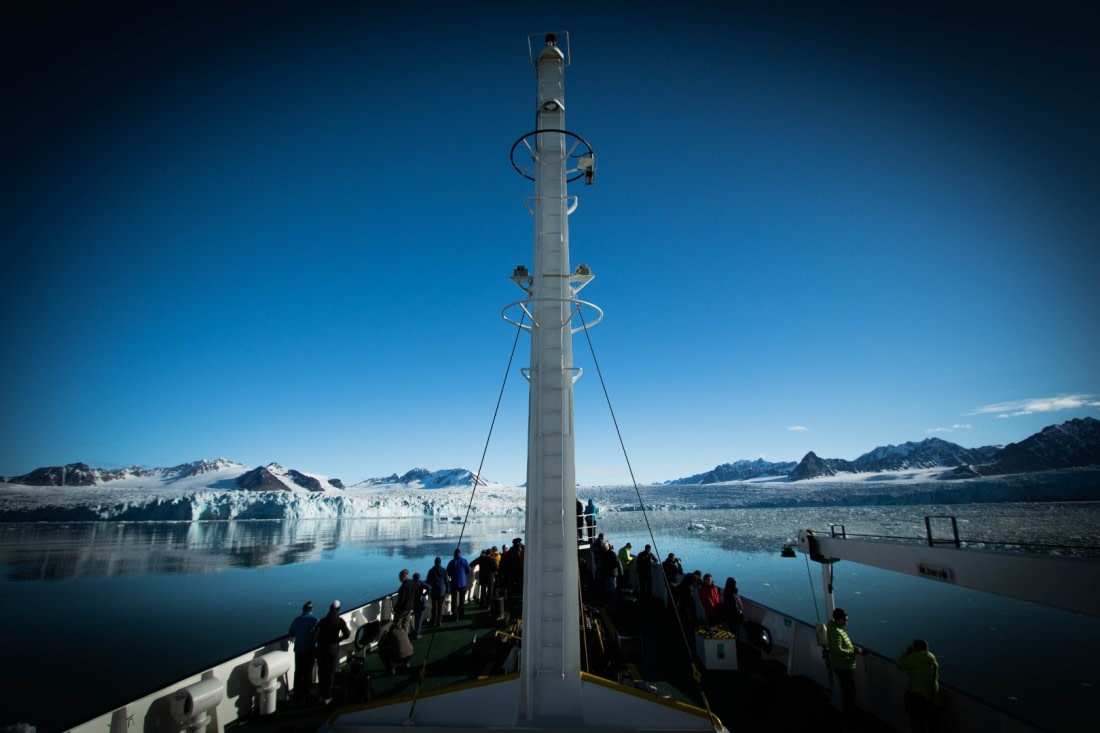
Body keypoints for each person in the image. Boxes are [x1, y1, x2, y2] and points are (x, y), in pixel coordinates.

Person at [826, 607, 866, 717]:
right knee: (849, 693)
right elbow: (837, 650)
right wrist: (853, 651)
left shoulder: (837, 628)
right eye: (845, 620)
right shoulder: (836, 632)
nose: (846, 622)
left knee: (847, 691)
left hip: (843, 665)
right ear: (839, 619)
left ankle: (847, 712)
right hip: (843, 666)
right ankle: (848, 715)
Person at [897, 639, 940, 732]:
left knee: (917, 724)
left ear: (914, 648)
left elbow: (899, 665)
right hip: (933, 695)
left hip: (918, 696)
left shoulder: (912, 658)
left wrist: (906, 653)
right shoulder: (932, 658)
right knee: (931, 724)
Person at [313, 600, 350, 705]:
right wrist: (338, 640)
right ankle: (327, 696)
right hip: (333, 649)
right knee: (330, 673)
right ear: (338, 610)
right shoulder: (339, 621)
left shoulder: (322, 621)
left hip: (321, 649)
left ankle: (321, 694)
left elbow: (315, 635)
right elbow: (347, 634)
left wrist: (320, 641)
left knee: (321, 672)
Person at [288, 600, 318, 703]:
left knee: (298, 672)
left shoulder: (296, 620)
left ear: (303, 609)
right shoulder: (314, 620)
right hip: (310, 650)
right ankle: (306, 694)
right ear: (312, 609)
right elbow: (318, 633)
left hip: (299, 650)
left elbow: (291, 633)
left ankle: (297, 695)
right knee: (308, 672)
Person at [446, 548, 472, 621]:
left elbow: (447, 572)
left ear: (454, 555)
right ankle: (461, 613)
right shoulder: (464, 561)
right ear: (460, 554)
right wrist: (464, 573)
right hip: (463, 583)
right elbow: (469, 570)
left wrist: (452, 574)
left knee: (454, 600)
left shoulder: (451, 562)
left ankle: (454, 615)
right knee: (462, 599)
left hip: (454, 583)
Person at [426, 556, 449, 627]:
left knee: (434, 607)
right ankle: (440, 621)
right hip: (442, 591)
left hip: (434, 591)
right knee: (440, 607)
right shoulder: (444, 570)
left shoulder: (431, 571)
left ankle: (434, 622)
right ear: (440, 562)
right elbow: (446, 581)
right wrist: (447, 589)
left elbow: (428, 581)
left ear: (435, 562)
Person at [411, 572, 429, 639]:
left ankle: (415, 632)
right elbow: (429, 587)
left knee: (416, 617)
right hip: (421, 602)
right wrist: (424, 595)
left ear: (413, 577)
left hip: (414, 602)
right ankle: (417, 633)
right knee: (420, 618)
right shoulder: (421, 583)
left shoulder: (411, 583)